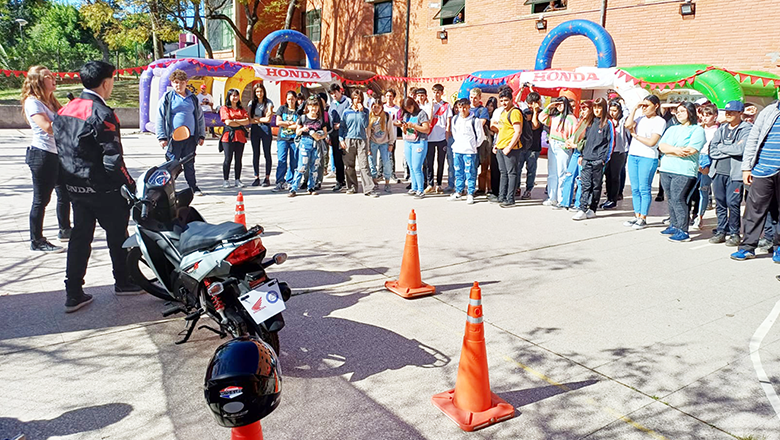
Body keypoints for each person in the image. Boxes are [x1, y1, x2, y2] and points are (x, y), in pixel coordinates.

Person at [53, 60, 142, 313]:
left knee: (80, 238)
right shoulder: (102, 113)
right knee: (117, 235)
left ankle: (73, 293)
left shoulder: (65, 109)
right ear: (106, 82)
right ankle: (124, 281)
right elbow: (112, 159)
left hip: (74, 186)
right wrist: (130, 184)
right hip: (103, 188)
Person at [22, 65, 71, 252]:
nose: (54, 79)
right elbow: (48, 127)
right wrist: (66, 119)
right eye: (48, 77)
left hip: (58, 154)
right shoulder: (33, 102)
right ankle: (37, 240)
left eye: (52, 75)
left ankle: (65, 230)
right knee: (41, 200)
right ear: (38, 82)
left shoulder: (51, 101)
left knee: (64, 193)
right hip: (42, 155)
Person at [731, 100, 780, 261]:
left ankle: (778, 247)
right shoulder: (769, 111)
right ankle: (747, 247)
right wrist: (746, 167)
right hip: (762, 169)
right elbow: (753, 139)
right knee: (754, 210)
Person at [656, 102, 706, 242]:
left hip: (684, 170)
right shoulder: (672, 129)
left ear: (690, 112)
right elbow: (661, 146)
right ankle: (674, 224)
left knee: (679, 199)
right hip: (666, 168)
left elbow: (691, 150)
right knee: (671, 198)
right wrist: (676, 150)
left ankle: (683, 230)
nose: (679, 114)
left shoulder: (697, 130)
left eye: (682, 111)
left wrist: (670, 151)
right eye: (677, 111)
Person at [708, 101, 752, 246]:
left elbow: (741, 150)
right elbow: (713, 150)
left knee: (733, 203)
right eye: (726, 112)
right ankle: (721, 231)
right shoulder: (721, 129)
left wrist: (722, 147)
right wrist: (730, 148)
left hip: (735, 174)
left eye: (732, 112)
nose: (728, 114)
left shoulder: (747, 129)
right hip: (718, 172)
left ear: (740, 113)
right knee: (720, 203)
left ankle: (734, 233)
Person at [156, 69, 205, 196]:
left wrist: (201, 135)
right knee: (172, 165)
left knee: (189, 164)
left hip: (190, 137)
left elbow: (200, 117)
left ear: (186, 83)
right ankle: (166, 189)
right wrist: (162, 137)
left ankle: (193, 187)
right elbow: (160, 117)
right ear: (172, 83)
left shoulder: (193, 99)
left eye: (182, 82)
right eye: (176, 82)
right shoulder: (167, 98)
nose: (179, 85)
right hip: (173, 138)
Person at [624, 95, 666, 230]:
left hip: (647, 157)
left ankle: (643, 217)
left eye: (647, 106)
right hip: (633, 155)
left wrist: (635, 136)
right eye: (643, 106)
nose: (644, 108)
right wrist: (635, 108)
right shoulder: (640, 118)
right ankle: (636, 215)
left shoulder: (659, 121)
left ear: (656, 106)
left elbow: (652, 142)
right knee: (635, 188)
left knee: (644, 188)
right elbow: (627, 125)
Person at [572, 98, 614, 220]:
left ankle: (592, 208)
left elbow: (610, 142)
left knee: (596, 185)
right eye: (595, 107)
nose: (596, 110)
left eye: (599, 107)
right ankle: (582, 208)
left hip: (598, 160)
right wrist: (582, 155)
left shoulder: (607, 123)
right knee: (585, 184)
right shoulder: (590, 122)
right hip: (587, 158)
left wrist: (604, 159)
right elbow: (585, 140)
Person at [539, 96, 578, 207]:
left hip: (562, 145)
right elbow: (541, 118)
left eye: (561, 104)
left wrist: (568, 144)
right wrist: (549, 107)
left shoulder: (571, 118)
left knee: (562, 173)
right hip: (553, 145)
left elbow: (575, 134)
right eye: (558, 104)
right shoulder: (555, 117)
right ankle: (552, 197)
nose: (559, 106)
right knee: (552, 173)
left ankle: (562, 199)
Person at [492, 88, 524, 208]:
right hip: (501, 146)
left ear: (511, 100)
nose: (504, 103)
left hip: (510, 148)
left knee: (511, 173)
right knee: (503, 173)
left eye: (506, 100)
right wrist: (496, 144)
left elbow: (518, 131)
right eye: (501, 100)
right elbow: (501, 130)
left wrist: (509, 147)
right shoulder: (503, 112)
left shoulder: (514, 112)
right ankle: (502, 196)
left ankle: (510, 198)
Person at [290, 96, 327, 197]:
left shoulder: (320, 119)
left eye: (315, 106)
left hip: (316, 144)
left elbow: (325, 133)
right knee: (302, 166)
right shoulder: (303, 118)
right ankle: (293, 188)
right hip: (305, 142)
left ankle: (311, 187)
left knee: (315, 166)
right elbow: (297, 132)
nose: (313, 108)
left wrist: (319, 136)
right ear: (308, 107)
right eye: (311, 106)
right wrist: (302, 129)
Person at [340, 90, 375, 196]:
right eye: (355, 98)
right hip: (349, 139)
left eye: (359, 98)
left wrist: (361, 112)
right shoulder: (346, 112)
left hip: (361, 139)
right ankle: (352, 186)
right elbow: (342, 126)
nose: (357, 100)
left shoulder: (365, 111)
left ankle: (368, 188)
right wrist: (341, 139)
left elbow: (365, 124)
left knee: (364, 164)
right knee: (349, 165)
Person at [449, 98, 484, 204]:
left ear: (469, 107)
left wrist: (473, 146)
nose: (462, 110)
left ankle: (470, 193)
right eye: (460, 107)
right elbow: (454, 133)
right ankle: (459, 191)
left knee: (470, 172)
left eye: (465, 107)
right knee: (458, 171)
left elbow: (480, 136)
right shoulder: (455, 119)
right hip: (457, 149)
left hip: (469, 151)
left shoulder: (475, 121)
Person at [559, 100, 593, 210]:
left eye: (585, 109)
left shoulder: (593, 124)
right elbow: (576, 136)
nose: (582, 112)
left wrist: (576, 145)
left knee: (581, 179)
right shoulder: (581, 121)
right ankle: (565, 202)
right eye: (581, 109)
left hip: (584, 154)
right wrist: (570, 141)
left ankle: (579, 204)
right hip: (576, 153)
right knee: (569, 175)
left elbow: (589, 141)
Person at [690, 103, 719, 229]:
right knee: (690, 188)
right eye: (703, 115)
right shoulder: (698, 128)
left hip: (708, 158)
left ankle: (700, 217)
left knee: (704, 189)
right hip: (696, 157)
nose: (705, 117)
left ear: (715, 116)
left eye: (708, 115)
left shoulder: (717, 130)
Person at [395, 97, 431, 198]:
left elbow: (426, 129)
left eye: (410, 107)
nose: (409, 110)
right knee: (410, 166)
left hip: (419, 141)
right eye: (406, 108)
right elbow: (405, 131)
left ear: (413, 105)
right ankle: (414, 187)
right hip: (408, 141)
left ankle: (421, 189)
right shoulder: (406, 115)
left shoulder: (421, 113)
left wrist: (414, 126)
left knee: (416, 167)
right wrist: (404, 127)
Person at [423, 84, 452, 194]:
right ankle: (430, 183)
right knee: (429, 162)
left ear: (442, 93)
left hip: (441, 138)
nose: (436, 94)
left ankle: (439, 184)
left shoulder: (446, 105)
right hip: (430, 137)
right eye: (434, 92)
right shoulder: (428, 105)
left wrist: (447, 136)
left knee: (441, 161)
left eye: (438, 92)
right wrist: (431, 106)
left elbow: (448, 122)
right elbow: (428, 120)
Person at [219, 89, 250, 188]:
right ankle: (226, 179)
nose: (235, 97)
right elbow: (228, 122)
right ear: (229, 97)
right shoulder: (224, 108)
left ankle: (237, 179)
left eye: (236, 95)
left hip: (240, 136)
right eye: (233, 95)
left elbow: (247, 121)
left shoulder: (241, 109)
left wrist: (235, 120)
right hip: (228, 136)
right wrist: (240, 121)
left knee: (238, 159)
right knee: (228, 158)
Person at [601, 98, 629, 209]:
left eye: (615, 110)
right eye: (611, 110)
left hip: (619, 152)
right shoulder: (607, 121)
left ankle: (614, 198)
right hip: (608, 152)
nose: (612, 113)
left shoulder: (622, 122)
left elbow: (627, 115)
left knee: (615, 176)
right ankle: (608, 198)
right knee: (607, 175)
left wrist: (623, 104)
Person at [518, 92, 543, 200]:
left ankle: (528, 190)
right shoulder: (525, 112)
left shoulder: (542, 114)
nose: (530, 106)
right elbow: (517, 101)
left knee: (531, 170)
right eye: (529, 103)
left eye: (533, 103)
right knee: (518, 168)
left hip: (534, 146)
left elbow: (534, 126)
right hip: (522, 145)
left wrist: (536, 112)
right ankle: (516, 187)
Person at [272, 91, 299, 192]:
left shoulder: (298, 111)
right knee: (282, 160)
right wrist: (288, 123)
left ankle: (290, 181)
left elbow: (298, 125)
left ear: (296, 99)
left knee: (294, 161)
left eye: (292, 99)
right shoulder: (282, 109)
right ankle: (279, 181)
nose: (291, 101)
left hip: (294, 139)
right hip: (282, 139)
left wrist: (286, 124)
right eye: (289, 99)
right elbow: (278, 122)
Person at [248, 83, 274, 187]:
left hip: (265, 128)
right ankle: (256, 177)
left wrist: (256, 119)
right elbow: (250, 119)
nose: (259, 93)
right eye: (257, 91)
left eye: (261, 91)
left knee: (267, 153)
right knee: (256, 153)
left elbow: (268, 119)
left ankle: (267, 178)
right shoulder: (251, 103)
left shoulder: (268, 102)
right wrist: (259, 119)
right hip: (255, 129)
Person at [367, 98, 396, 192]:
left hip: (384, 142)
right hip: (373, 142)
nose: (376, 109)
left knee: (386, 162)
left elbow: (390, 130)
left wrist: (391, 143)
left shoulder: (386, 116)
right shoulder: (369, 117)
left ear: (381, 108)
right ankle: (374, 181)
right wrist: (368, 147)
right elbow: (367, 133)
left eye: (378, 107)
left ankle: (387, 182)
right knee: (372, 163)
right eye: (374, 107)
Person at [328, 84, 351, 191]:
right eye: (331, 94)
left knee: (346, 158)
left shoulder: (347, 102)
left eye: (335, 93)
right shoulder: (332, 104)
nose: (334, 95)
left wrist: (341, 125)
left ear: (340, 91)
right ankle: (339, 180)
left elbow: (349, 117)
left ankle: (349, 181)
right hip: (334, 134)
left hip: (345, 134)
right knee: (336, 158)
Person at [383, 89, 402, 183]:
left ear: (393, 97)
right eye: (387, 96)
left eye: (390, 96)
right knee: (382, 155)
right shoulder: (382, 108)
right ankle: (380, 173)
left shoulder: (397, 109)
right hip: (381, 135)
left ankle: (392, 173)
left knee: (391, 154)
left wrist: (392, 123)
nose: (389, 98)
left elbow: (400, 122)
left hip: (392, 135)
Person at [484, 96, 500, 199]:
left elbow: (494, 131)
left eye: (492, 105)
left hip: (494, 143)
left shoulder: (497, 115)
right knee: (484, 167)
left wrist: (490, 130)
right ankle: (483, 188)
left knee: (494, 168)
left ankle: (493, 189)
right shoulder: (484, 116)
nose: (489, 107)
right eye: (488, 105)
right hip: (485, 144)